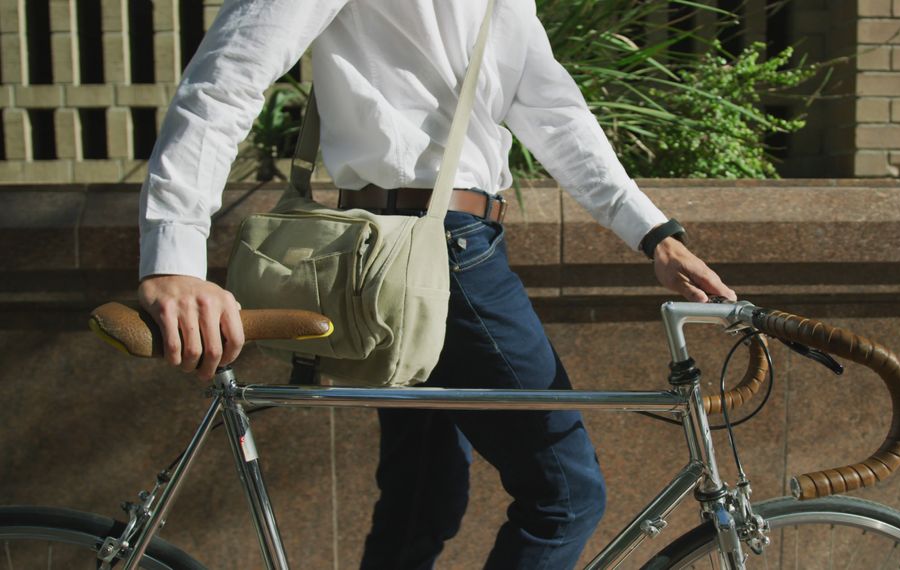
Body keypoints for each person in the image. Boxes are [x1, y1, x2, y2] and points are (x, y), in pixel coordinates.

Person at [137, 0, 737, 567]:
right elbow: (229, 71)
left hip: (425, 250)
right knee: (565, 496)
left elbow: (554, 111)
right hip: (430, 250)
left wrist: (653, 233)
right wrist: (175, 257)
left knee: (423, 496)